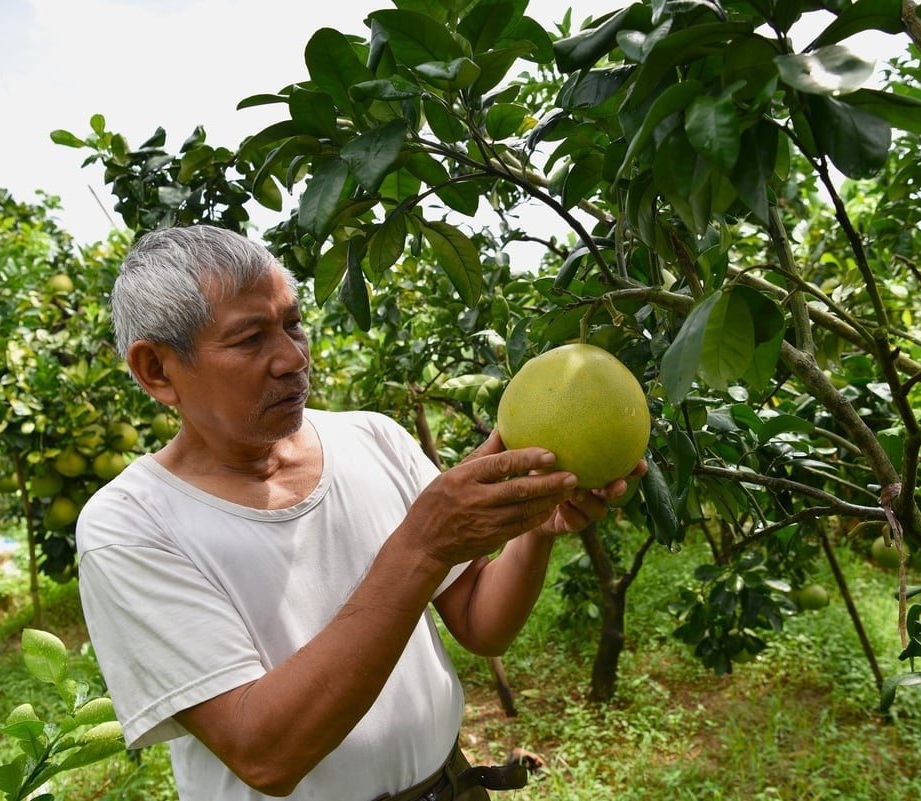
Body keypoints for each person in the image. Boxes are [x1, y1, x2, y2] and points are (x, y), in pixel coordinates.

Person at [75, 224, 645, 801]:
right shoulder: (131, 525)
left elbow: (480, 622)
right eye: (250, 340)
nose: (292, 358)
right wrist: (420, 547)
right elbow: (264, 753)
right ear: (156, 370)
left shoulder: (374, 439)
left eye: (293, 324)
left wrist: (533, 529)